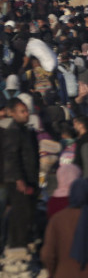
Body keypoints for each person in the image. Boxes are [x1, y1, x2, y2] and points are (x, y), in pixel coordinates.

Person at [3, 99, 39, 259]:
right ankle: (17, 247)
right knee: (21, 213)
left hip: (30, 178)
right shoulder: (13, 131)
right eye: (22, 111)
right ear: (12, 113)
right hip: (18, 180)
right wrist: (19, 179)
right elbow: (11, 157)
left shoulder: (27, 131)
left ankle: (24, 244)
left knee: (29, 212)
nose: (26, 114)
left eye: (26, 111)